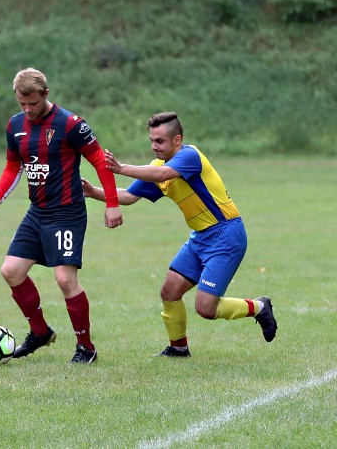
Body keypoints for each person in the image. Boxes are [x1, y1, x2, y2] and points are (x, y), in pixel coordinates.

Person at [82, 111, 277, 357]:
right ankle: (178, 348)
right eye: (152, 141)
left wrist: (121, 168)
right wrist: (94, 192)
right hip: (200, 237)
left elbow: (164, 175)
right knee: (170, 291)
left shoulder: (189, 156)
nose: (154, 146)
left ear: (177, 140)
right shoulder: (157, 168)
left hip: (226, 235)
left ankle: (259, 307)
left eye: (160, 141)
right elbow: (130, 197)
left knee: (206, 308)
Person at [0, 68, 123, 364]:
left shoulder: (70, 124)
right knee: (11, 271)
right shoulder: (15, 125)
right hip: (37, 212)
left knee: (64, 279)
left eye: (32, 103)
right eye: (22, 104)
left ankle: (86, 347)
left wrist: (111, 203)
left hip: (67, 213)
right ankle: (40, 331)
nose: (28, 110)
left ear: (46, 94)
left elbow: (99, 161)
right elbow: (12, 166)